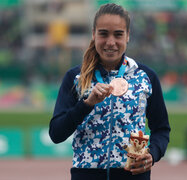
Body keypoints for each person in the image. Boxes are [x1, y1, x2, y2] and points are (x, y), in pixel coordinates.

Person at [49, 3, 170, 180]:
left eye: (118, 34)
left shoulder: (146, 77)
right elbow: (56, 134)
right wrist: (86, 104)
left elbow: (161, 129)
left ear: (128, 36)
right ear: (94, 34)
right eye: (103, 33)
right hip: (86, 175)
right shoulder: (75, 77)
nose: (111, 42)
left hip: (134, 175)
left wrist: (153, 154)